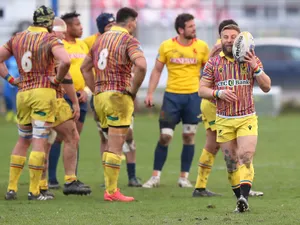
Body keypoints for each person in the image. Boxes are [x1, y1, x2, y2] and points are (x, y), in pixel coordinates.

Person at [0, 5, 70, 200]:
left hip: (22, 93)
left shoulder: (17, 38)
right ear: (48, 22)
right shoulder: (50, 38)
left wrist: (11, 80)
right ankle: (34, 191)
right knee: (39, 141)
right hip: (43, 94)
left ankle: (12, 188)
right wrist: (56, 80)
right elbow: (65, 61)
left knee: (23, 140)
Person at [198, 24, 271, 212]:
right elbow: (201, 90)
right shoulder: (213, 63)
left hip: (246, 117)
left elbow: (267, 86)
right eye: (226, 36)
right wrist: (218, 93)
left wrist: (256, 68)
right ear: (220, 39)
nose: (229, 40)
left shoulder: (251, 59)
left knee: (245, 157)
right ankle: (239, 198)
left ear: (240, 39)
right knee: (231, 163)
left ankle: (244, 198)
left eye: (233, 37)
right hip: (223, 119)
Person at [81, 7, 147, 202]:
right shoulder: (129, 40)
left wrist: (96, 90)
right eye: (135, 22)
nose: (135, 26)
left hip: (100, 96)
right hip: (118, 95)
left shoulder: (99, 39)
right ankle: (111, 191)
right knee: (117, 144)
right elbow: (142, 66)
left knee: (110, 141)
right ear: (130, 22)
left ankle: (111, 188)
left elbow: (84, 68)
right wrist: (133, 90)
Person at [143, 13, 209, 188]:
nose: (194, 29)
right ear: (181, 29)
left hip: (193, 98)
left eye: (194, 26)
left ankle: (183, 177)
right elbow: (157, 70)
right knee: (165, 137)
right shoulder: (167, 46)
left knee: (189, 136)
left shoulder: (202, 47)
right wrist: (149, 93)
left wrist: (210, 94)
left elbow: (209, 73)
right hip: (172, 97)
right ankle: (155, 177)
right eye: (190, 26)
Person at [38, 17, 91, 198]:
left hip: (32, 96)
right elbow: (65, 69)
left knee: (47, 139)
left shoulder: (25, 40)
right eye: (61, 30)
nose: (62, 34)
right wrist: (73, 100)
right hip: (52, 98)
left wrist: (13, 80)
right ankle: (47, 183)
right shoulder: (54, 45)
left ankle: (40, 184)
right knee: (49, 139)